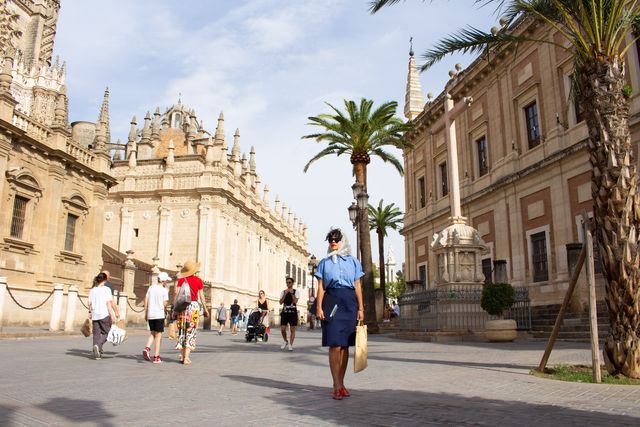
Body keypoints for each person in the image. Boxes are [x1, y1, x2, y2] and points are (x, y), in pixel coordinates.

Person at [315, 228, 364, 400]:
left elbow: (357, 285)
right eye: (330, 239)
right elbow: (321, 287)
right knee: (334, 344)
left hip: (350, 303)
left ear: (343, 241)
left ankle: (342, 383)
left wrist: (361, 308)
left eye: (336, 239)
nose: (333, 242)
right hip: (332, 302)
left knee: (344, 346)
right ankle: (335, 384)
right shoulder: (324, 263)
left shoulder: (354, 262)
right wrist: (319, 307)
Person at [174, 260, 209, 365]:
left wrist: (174, 309)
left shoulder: (181, 280)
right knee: (191, 331)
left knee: (182, 331)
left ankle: (182, 355)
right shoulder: (198, 281)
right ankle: (186, 358)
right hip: (193, 307)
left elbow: (176, 294)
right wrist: (205, 309)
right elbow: (202, 297)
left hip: (182, 307)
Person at [88, 272, 120, 360]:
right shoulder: (106, 289)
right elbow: (108, 303)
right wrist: (112, 315)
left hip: (95, 314)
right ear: (105, 279)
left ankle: (97, 353)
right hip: (104, 314)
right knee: (108, 332)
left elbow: (89, 304)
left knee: (96, 333)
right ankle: (98, 345)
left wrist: (90, 313)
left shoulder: (92, 290)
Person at [142, 271, 170, 363]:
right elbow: (165, 303)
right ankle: (156, 356)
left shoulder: (151, 288)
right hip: (159, 314)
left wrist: (146, 312)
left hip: (150, 313)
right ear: (164, 281)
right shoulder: (164, 290)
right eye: (166, 281)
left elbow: (146, 299)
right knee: (158, 335)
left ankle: (147, 348)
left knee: (152, 332)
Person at [279, 276, 300, 351]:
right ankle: (285, 341)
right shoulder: (283, 291)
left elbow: (295, 302)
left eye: (289, 282)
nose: (288, 284)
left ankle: (290, 344)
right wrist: (285, 293)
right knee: (283, 329)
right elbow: (280, 302)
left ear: (292, 283)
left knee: (292, 329)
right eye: (287, 282)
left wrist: (291, 294)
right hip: (285, 311)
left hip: (293, 311)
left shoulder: (296, 291)